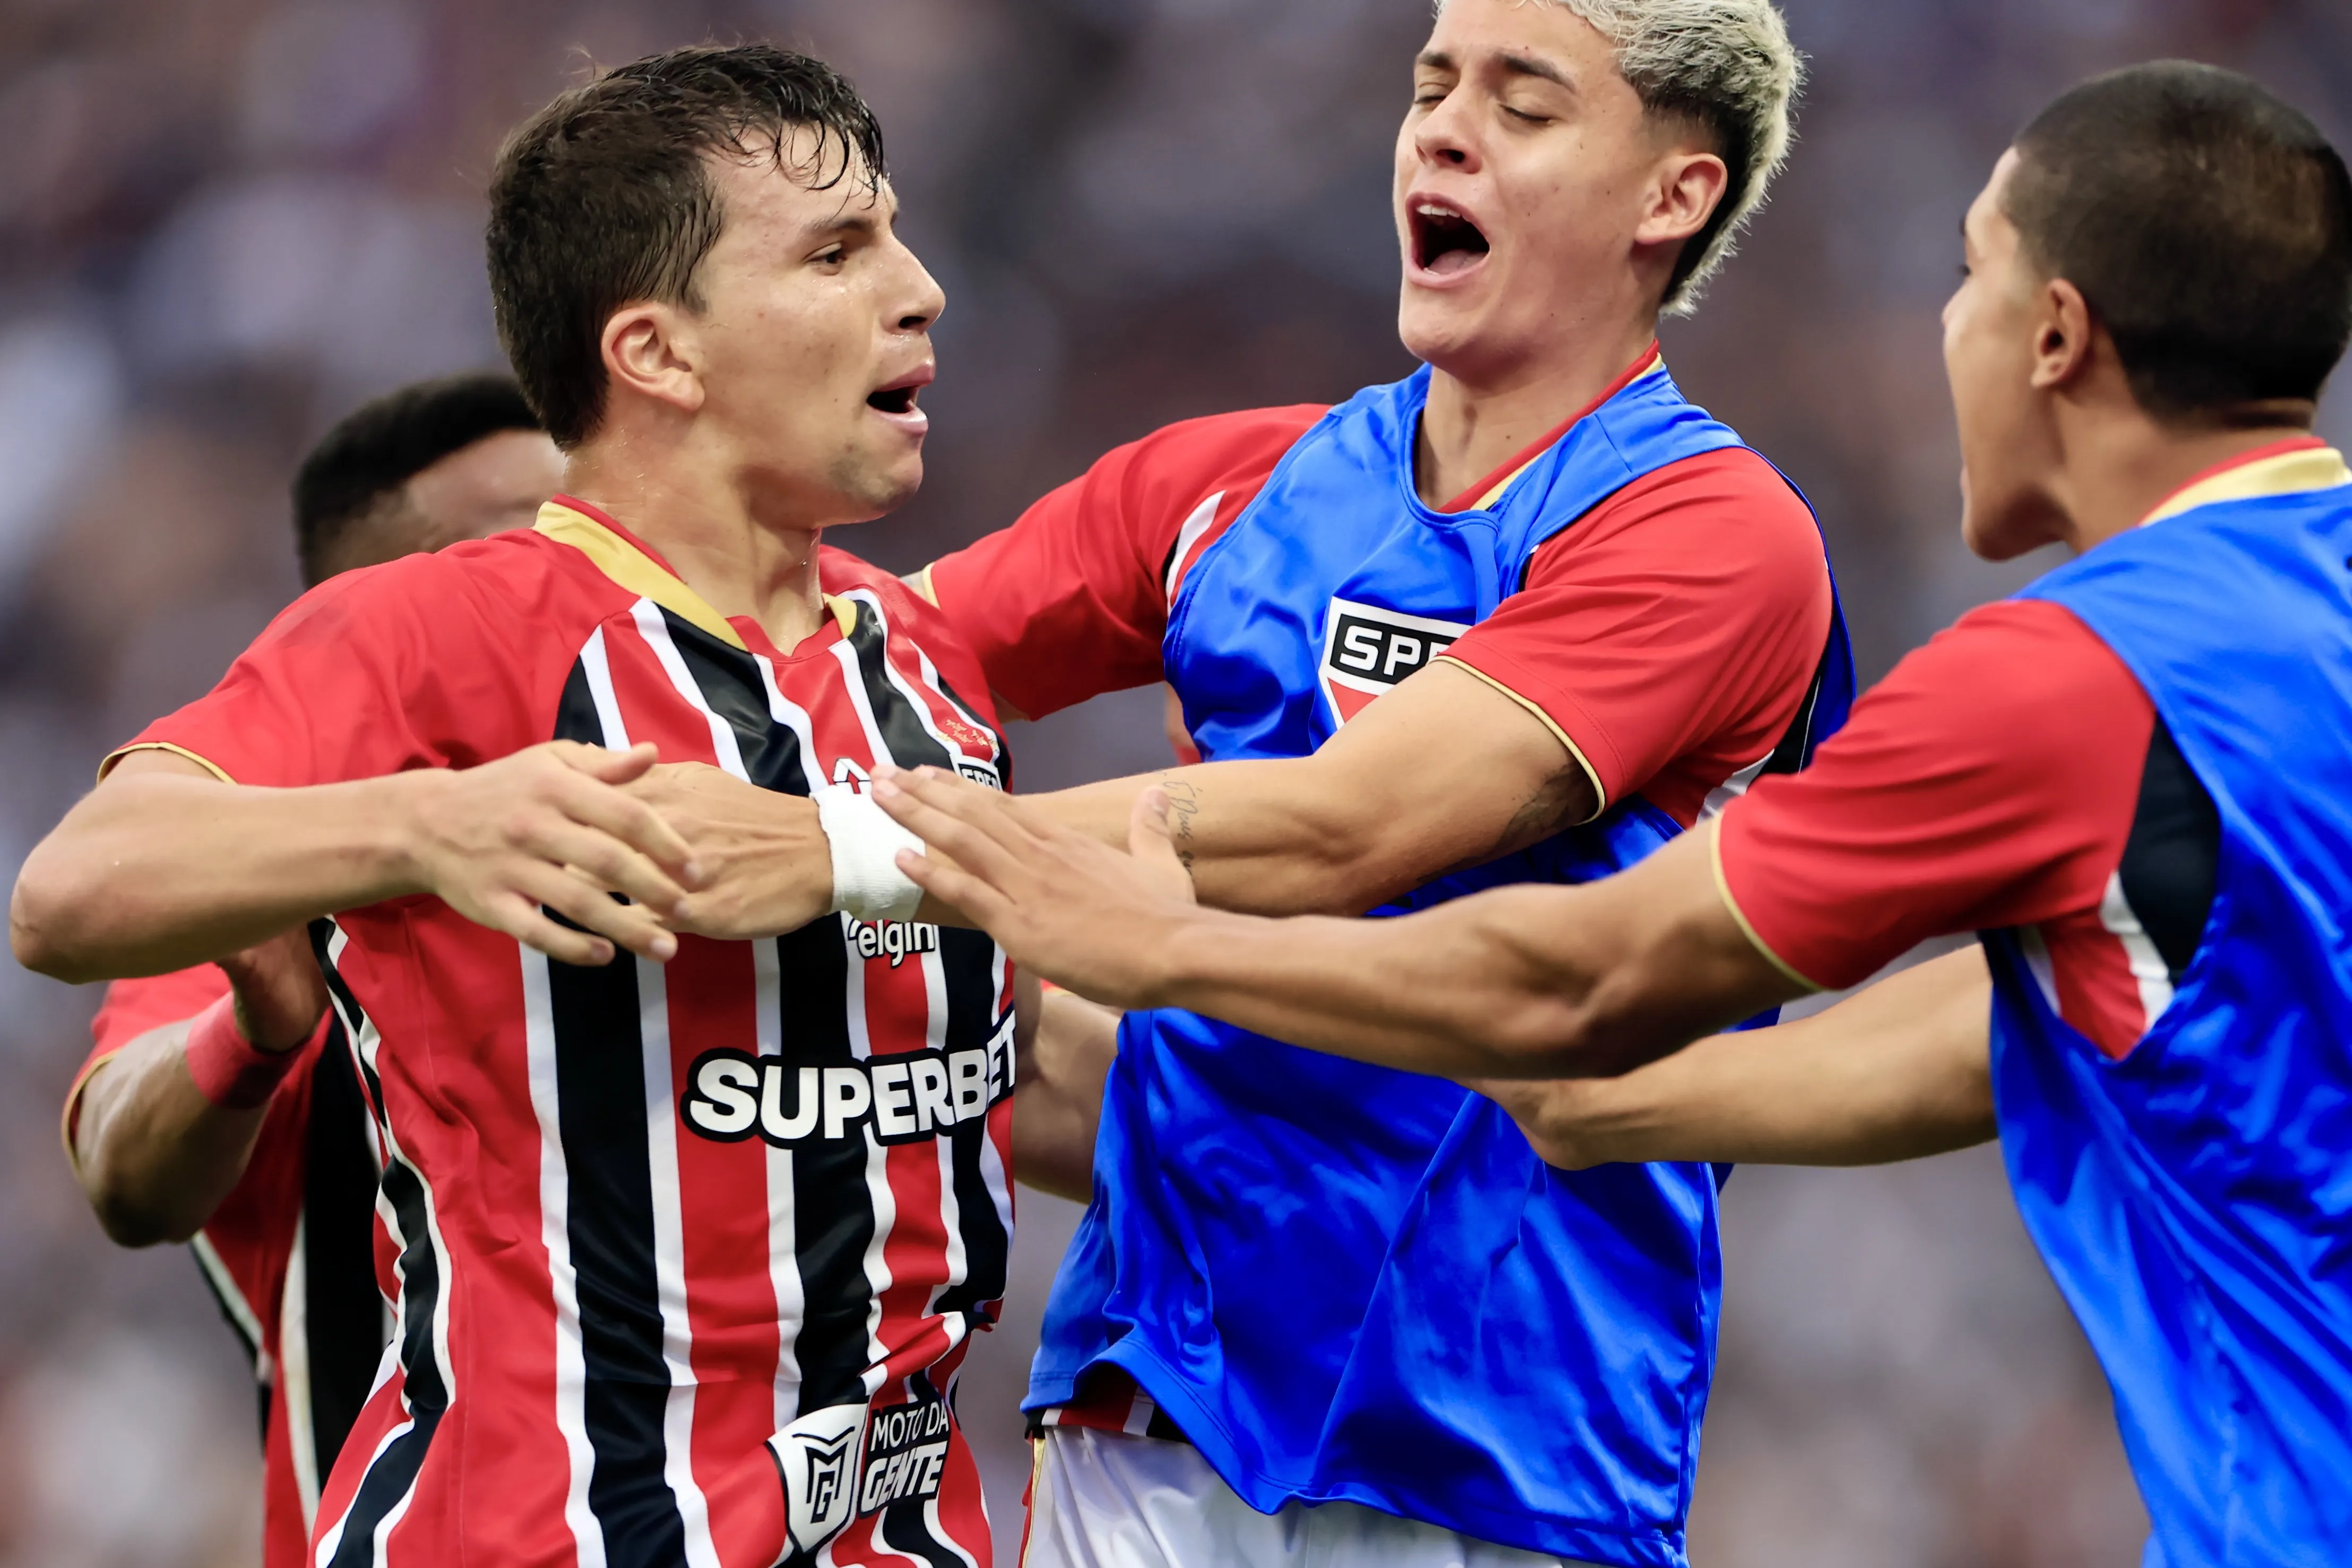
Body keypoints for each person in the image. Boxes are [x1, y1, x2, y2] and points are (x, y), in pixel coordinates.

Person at [874, 61, 2352, 1567]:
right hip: (1163, 1404)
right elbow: (2049, 1005)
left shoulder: (2061, 676)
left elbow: (1572, 974)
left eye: (1965, 273)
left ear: (2051, 336)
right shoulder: (2286, 642)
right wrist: (1623, 1108)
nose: (1938, 325)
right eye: (1428, 81)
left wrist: (1147, 937)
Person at [635, 3, 1848, 1564]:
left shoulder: (1714, 534)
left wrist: (832, 851)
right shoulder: (1231, 483)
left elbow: (1344, 826)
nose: (1441, 129)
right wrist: (581, 607)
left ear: (1670, 196)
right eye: (1429, 86)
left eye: (1521, 103)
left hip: (1504, 1431)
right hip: (1154, 1394)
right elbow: (846, 679)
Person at [12, 44, 1087, 1567]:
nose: (918, 289)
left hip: (905, 1529)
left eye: (897, 234)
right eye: (837, 251)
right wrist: (421, 827)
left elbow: (1001, 1064)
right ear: (657, 353)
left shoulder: (922, 663)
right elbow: (67, 893)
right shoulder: (437, 634)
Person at [62, 371, 562, 1568]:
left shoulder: (714, 845)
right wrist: (261, 1029)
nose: (569, 580)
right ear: (363, 626)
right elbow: (124, 1176)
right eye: (511, 550)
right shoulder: (284, 889)